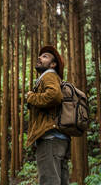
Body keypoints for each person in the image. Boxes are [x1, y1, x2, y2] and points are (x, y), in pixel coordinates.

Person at [26, 45, 70, 185]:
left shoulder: (49, 75)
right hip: (59, 139)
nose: (39, 58)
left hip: (49, 139)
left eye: (45, 56)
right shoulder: (54, 78)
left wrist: (31, 97)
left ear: (53, 64)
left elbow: (54, 96)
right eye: (40, 56)